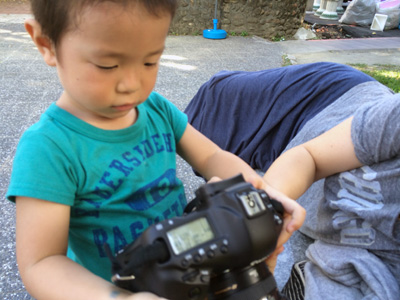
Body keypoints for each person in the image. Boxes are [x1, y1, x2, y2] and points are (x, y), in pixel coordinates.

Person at [6, 1, 304, 300]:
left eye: (150, 61)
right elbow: (42, 263)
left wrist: (259, 190)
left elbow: (211, 157)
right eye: (107, 65)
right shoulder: (48, 147)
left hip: (186, 276)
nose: (132, 85)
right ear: (46, 44)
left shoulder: (155, 108)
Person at [185, 62, 400, 299]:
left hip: (295, 152)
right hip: (334, 100)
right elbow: (309, 156)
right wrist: (264, 208)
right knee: (206, 106)